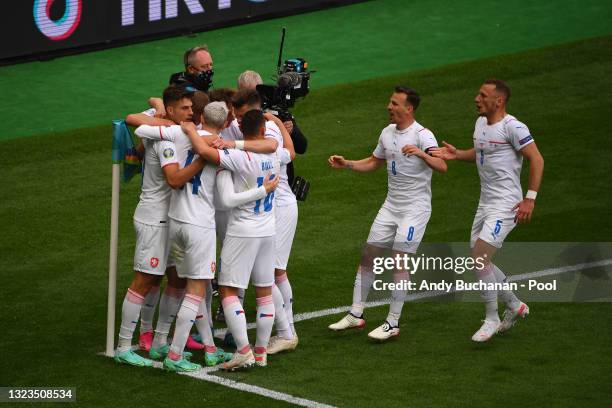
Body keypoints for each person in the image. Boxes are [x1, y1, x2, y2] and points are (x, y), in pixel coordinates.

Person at [327, 86, 447, 341]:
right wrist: (347, 163)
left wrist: (422, 154)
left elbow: (442, 165)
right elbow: (374, 162)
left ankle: (392, 323)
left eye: (394, 103)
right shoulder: (387, 133)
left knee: (399, 260)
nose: (388, 107)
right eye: (390, 102)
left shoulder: (423, 135)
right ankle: (356, 314)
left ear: (409, 108)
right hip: (391, 206)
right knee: (369, 254)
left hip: (415, 210)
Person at [430, 79, 544, 342]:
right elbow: (482, 153)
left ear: (499, 101)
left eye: (483, 95)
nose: (476, 98)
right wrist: (458, 154)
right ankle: (515, 306)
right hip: (485, 203)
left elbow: (536, 158)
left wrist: (530, 199)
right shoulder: (481, 123)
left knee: (479, 257)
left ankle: (491, 318)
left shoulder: (513, 127)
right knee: (481, 260)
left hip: (507, 203)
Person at [181, 109, 294, 369]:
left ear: (242, 131)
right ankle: (262, 352)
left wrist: (189, 130)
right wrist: (278, 122)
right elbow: (290, 150)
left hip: (242, 230)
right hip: (268, 229)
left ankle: (244, 350)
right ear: (263, 132)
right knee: (264, 290)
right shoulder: (275, 153)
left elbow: (204, 152)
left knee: (229, 290)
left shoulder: (237, 157)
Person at [114, 86, 206, 367]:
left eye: (192, 108)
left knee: (177, 279)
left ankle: (160, 342)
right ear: (171, 110)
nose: (191, 114)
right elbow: (134, 122)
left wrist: (160, 110)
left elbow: (146, 115)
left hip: (174, 219)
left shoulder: (168, 129)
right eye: (185, 109)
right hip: (155, 218)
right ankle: (123, 346)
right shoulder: (165, 138)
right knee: (145, 280)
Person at [237, 70, 308, 185]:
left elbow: (302, 147)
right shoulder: (234, 118)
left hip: (281, 185)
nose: (253, 99)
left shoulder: (276, 114)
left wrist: (289, 132)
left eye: (255, 94)